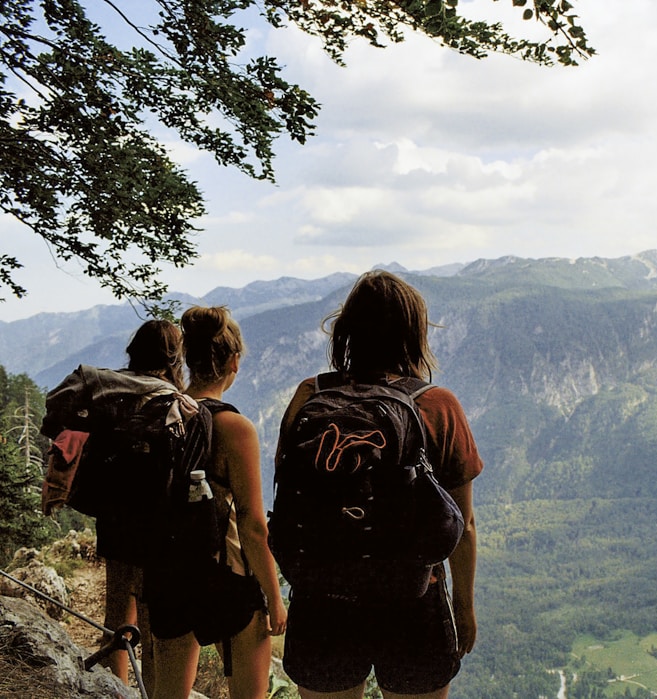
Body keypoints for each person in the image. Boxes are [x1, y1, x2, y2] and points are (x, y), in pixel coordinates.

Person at [279, 270, 483, 699]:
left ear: (347, 331)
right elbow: (461, 525)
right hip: (413, 600)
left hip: (321, 598)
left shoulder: (308, 396)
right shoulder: (438, 405)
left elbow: (290, 492)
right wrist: (464, 608)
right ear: (413, 334)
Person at [147, 306, 287, 699]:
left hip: (168, 572)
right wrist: (274, 599)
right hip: (225, 576)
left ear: (188, 360)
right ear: (234, 362)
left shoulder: (162, 414)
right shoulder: (234, 428)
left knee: (168, 693)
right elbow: (253, 525)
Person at [100, 319, 185, 688]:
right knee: (152, 623)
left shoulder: (113, 393)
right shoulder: (173, 401)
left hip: (115, 516)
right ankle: (151, 691)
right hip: (157, 524)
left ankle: (112, 690)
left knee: (116, 610)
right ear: (174, 358)